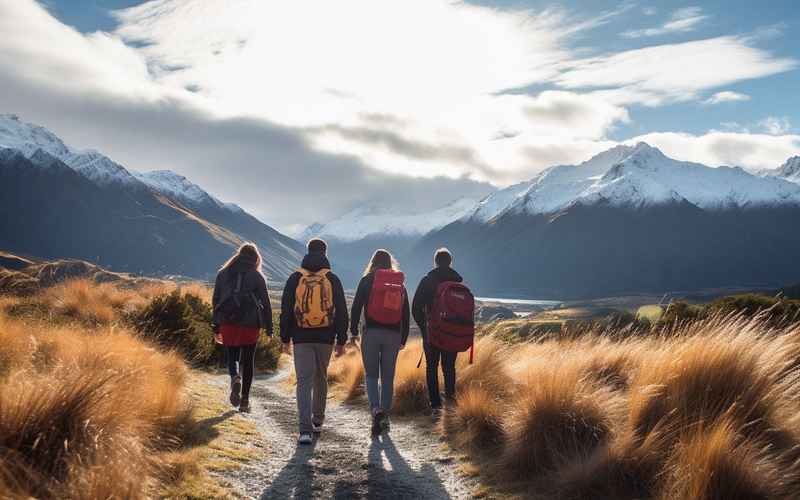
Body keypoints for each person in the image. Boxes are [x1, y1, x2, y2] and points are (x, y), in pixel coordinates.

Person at [280, 238, 348, 445]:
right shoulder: (332, 279)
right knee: (320, 378)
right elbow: (342, 311)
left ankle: (305, 431)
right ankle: (317, 421)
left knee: (303, 382)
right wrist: (341, 340)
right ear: (325, 253)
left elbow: (285, 310)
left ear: (307, 252)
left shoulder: (294, 278)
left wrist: (285, 338)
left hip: (301, 337)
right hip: (326, 337)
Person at [350, 249, 410, 435]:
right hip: (393, 334)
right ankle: (385, 414)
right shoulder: (399, 283)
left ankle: (375, 410)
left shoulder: (367, 280)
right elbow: (405, 313)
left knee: (371, 375)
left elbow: (356, 306)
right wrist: (403, 338)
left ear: (373, 262)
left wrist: (353, 331)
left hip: (371, 333)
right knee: (388, 377)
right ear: (390, 263)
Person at [212, 243, 272, 413]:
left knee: (232, 355)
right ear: (256, 259)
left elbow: (216, 300)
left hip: (227, 321)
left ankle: (234, 377)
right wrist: (269, 328)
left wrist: (216, 325)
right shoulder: (257, 276)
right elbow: (266, 304)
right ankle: (245, 401)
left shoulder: (223, 273)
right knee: (248, 361)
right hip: (251, 324)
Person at [412, 247, 463, 417]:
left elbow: (415, 307)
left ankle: (435, 406)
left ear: (435, 262)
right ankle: (450, 404)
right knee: (449, 367)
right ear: (450, 262)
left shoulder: (427, 280)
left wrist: (424, 328)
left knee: (432, 367)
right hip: (452, 333)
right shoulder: (457, 282)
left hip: (432, 332)